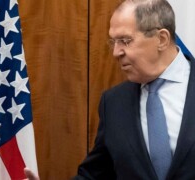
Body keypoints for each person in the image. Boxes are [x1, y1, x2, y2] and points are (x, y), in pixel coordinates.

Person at [76, 0, 195, 179]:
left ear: (161, 39)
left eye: (125, 41)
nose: (116, 52)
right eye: (113, 42)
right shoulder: (113, 102)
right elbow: (95, 174)